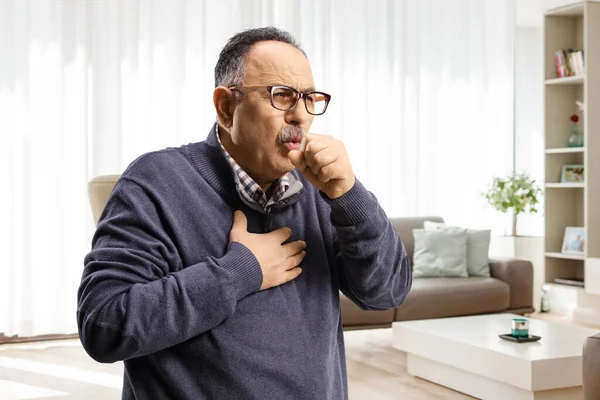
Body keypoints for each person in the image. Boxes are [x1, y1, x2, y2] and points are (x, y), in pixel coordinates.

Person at [77, 26, 412, 400]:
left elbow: (387, 293)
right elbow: (104, 326)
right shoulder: (156, 182)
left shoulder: (320, 188)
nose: (300, 115)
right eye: (281, 96)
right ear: (225, 107)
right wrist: (239, 272)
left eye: (309, 98)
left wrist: (350, 196)